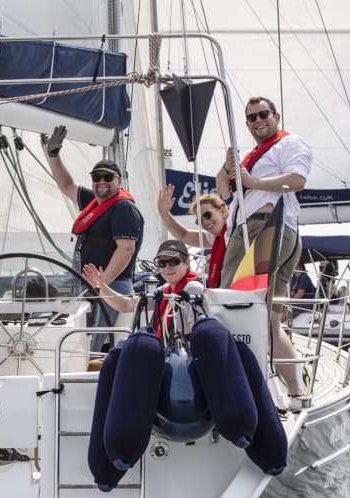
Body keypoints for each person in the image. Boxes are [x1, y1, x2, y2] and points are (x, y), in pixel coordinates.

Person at [216, 96, 311, 399]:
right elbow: (223, 189)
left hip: (265, 227)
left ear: (276, 115)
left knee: (231, 302)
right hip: (262, 230)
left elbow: (296, 180)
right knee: (269, 318)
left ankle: (243, 383)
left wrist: (253, 182)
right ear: (247, 123)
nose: (258, 121)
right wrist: (228, 167)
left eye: (263, 115)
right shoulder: (251, 157)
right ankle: (296, 391)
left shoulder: (289, 143)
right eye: (253, 117)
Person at [42, 126, 144, 354]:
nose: (101, 181)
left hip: (111, 286)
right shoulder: (93, 202)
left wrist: (102, 284)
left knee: (99, 346)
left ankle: (97, 379)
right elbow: (67, 186)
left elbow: (126, 249)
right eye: (97, 177)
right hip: (91, 285)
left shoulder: (123, 208)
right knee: (86, 342)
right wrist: (53, 155)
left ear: (119, 181)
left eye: (108, 177)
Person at [82, 239, 201, 339]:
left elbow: (198, 331)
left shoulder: (192, 289)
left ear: (187, 263)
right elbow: (127, 305)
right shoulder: (165, 290)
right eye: (162, 263)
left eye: (174, 261)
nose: (167, 268)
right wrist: (100, 286)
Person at [157, 185, 228, 288]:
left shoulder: (235, 229)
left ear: (222, 211)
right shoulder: (215, 237)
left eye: (208, 215)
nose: (206, 222)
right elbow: (183, 234)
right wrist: (164, 213)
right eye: (199, 220)